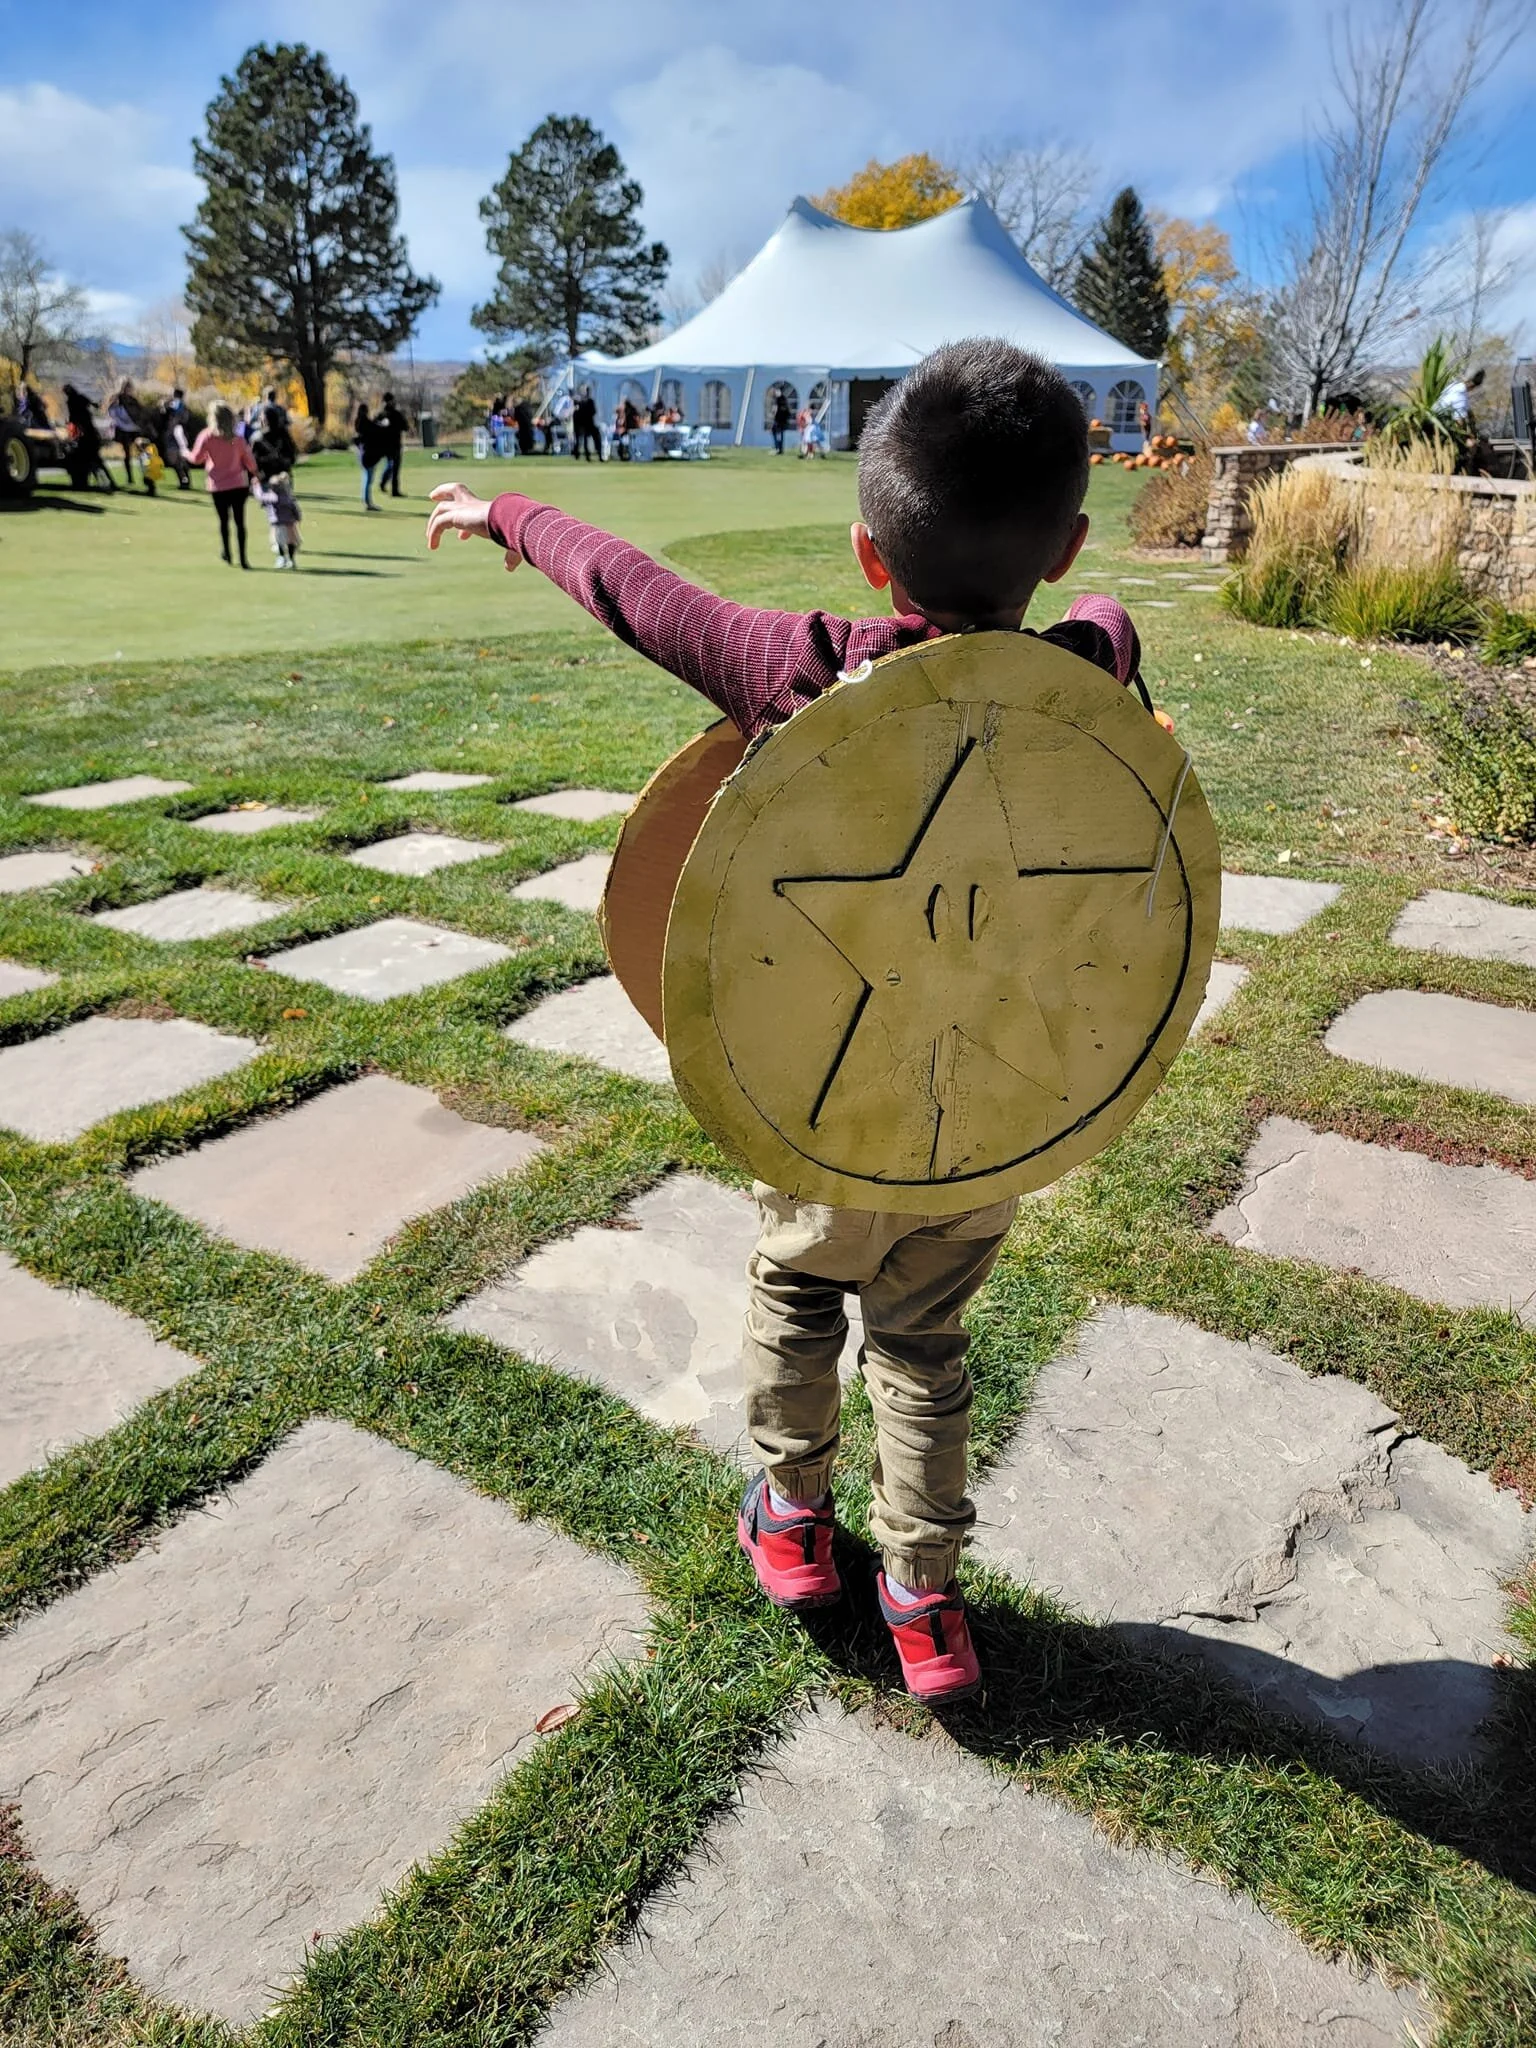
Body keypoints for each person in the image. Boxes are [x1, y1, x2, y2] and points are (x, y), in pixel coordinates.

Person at [426, 339, 1153, 1705]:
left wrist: (506, 515)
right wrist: (1087, 600)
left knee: (801, 1288)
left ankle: (798, 1523)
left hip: (822, 1102)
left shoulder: (804, 666)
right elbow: (1113, 617)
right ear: (1060, 547)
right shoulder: (1090, 668)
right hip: (987, 1114)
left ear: (872, 558)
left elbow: (630, 590)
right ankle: (926, 1598)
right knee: (927, 1349)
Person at [189, 401, 258, 566]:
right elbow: (249, 462)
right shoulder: (237, 439)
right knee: (240, 522)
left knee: (224, 521)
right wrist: (256, 474)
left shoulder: (207, 436)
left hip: (218, 485)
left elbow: (196, 458)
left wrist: (186, 452)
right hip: (238, 484)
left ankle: (227, 552)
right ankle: (243, 558)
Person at [61, 383, 115, 491]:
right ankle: (110, 482)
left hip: (84, 436)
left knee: (89, 461)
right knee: (97, 461)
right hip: (91, 434)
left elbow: (73, 418)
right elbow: (93, 405)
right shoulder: (81, 397)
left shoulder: (70, 402)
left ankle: (93, 482)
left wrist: (69, 425)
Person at [106, 378, 151, 491]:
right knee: (127, 453)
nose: (129, 389)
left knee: (142, 451)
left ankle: (146, 475)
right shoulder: (117, 399)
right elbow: (111, 412)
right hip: (123, 429)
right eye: (127, 387)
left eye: (129, 387)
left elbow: (141, 413)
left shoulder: (132, 400)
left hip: (133, 429)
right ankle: (130, 477)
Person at [257, 469, 302, 568]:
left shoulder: (273, 497)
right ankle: (291, 560)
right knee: (291, 541)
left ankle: (282, 558)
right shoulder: (288, 497)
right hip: (290, 523)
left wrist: (256, 485)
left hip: (278, 523)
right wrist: (298, 518)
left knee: (280, 541)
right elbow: (295, 509)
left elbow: (260, 496)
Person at [354, 400, 383, 508]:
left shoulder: (358, 423)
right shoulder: (365, 423)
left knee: (366, 477)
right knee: (368, 478)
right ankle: (367, 502)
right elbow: (376, 429)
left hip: (363, 454)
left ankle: (366, 500)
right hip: (368, 454)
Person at [163, 387, 194, 488]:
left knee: (176, 458)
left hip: (176, 434)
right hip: (179, 434)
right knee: (180, 458)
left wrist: (165, 405)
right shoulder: (183, 406)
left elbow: (167, 410)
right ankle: (185, 480)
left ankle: (184, 480)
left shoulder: (177, 404)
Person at [377, 391, 406, 495]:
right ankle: (391, 488)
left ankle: (389, 486)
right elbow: (405, 426)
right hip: (390, 444)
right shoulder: (391, 414)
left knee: (392, 465)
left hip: (391, 444)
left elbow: (405, 426)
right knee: (393, 466)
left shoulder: (384, 414)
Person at [571, 387, 602, 462]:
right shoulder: (578, 401)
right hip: (582, 424)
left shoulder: (589, 401)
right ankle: (580, 455)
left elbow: (593, 411)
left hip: (589, 423)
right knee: (581, 440)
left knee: (595, 438)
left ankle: (599, 454)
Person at [771, 389, 792, 454]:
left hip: (779, 421)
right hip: (781, 420)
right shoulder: (784, 400)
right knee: (778, 434)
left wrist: (774, 413)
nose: (776, 393)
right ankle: (779, 448)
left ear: (779, 392)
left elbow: (775, 410)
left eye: (777, 392)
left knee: (777, 434)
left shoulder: (779, 400)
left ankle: (778, 449)